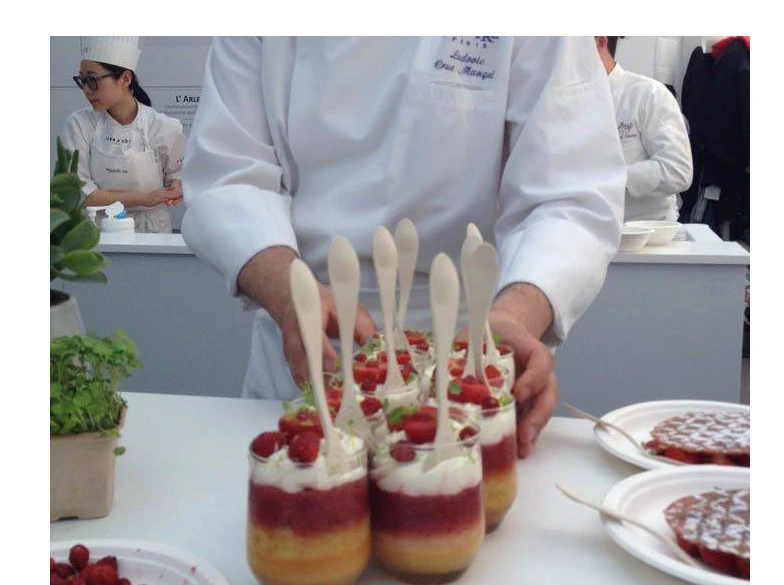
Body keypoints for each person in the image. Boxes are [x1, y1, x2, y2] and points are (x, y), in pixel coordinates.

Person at [182, 37, 626, 458]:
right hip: (308, 356)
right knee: (301, 498)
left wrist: (516, 316)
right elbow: (228, 172)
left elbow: (570, 193)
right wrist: (287, 290)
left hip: (471, 358)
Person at [61, 36, 186, 233]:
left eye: (92, 80)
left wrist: (178, 187)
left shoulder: (164, 127)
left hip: (152, 231)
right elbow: (79, 192)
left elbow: (180, 177)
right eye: (82, 81)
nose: (86, 90)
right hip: (97, 231)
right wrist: (142, 198)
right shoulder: (79, 124)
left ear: (125, 79)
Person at [595, 36, 693, 222]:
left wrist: (611, 179)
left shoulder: (649, 95)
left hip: (648, 231)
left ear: (599, 42)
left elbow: (677, 169)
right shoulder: (563, 102)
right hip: (583, 229)